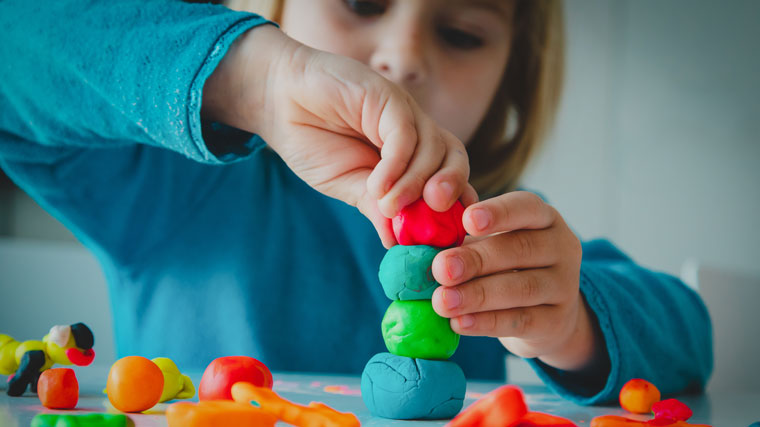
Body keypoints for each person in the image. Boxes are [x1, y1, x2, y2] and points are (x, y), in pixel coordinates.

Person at [0, 0, 711, 404]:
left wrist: (569, 321)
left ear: (512, 84)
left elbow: (691, 332)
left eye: (461, 32)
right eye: (362, 2)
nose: (403, 56)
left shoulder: (493, 228)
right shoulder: (170, 190)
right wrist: (252, 77)